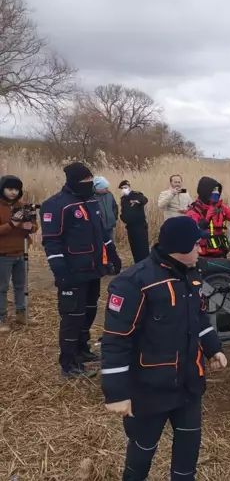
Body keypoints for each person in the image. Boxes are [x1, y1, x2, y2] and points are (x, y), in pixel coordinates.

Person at [100, 216, 228, 481]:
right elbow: (116, 339)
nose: (200, 249)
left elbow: (199, 318)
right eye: (196, 244)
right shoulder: (134, 283)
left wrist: (213, 348)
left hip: (190, 385)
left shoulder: (192, 274)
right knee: (142, 450)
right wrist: (116, 393)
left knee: (188, 449)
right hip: (149, 391)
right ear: (180, 248)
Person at [41, 162, 121, 378]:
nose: (89, 184)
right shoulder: (56, 205)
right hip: (72, 272)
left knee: (89, 311)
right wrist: (61, 272)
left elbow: (102, 232)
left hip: (93, 270)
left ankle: (82, 349)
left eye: (91, 181)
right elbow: (51, 242)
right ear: (74, 181)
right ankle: (68, 363)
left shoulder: (91, 201)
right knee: (72, 317)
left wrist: (112, 254)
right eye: (86, 181)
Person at [0, 175, 40, 332]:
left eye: (16, 189)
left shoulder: (23, 206)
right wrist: (11, 224)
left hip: (21, 252)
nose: (13, 192)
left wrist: (31, 226)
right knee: (2, 287)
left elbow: (35, 226)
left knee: (21, 285)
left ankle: (21, 313)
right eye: (10, 189)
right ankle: (1, 318)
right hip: (3, 254)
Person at [185, 176, 230, 259]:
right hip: (201, 257)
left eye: (218, 190)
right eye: (214, 190)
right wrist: (205, 220)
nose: (217, 193)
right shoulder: (193, 211)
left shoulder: (222, 208)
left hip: (221, 254)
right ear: (205, 191)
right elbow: (190, 233)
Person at [118, 180, 150, 263]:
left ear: (129, 187)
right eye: (122, 188)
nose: (124, 189)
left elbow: (144, 200)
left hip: (140, 226)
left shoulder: (137, 194)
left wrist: (137, 201)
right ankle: (137, 264)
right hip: (131, 227)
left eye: (125, 187)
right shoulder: (123, 199)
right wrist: (123, 218)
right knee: (134, 248)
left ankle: (145, 264)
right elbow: (124, 211)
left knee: (143, 248)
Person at [93, 177, 119, 242]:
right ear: (98, 189)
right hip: (98, 228)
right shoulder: (91, 197)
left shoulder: (109, 194)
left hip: (110, 226)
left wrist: (114, 217)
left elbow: (114, 207)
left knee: (111, 245)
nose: (107, 189)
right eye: (105, 188)